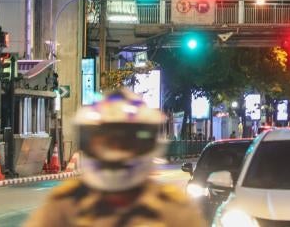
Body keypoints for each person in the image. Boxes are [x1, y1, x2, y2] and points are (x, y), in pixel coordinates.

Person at [24, 89, 207, 227]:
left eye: (126, 142)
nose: (116, 152)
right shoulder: (63, 205)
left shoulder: (173, 209)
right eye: (107, 142)